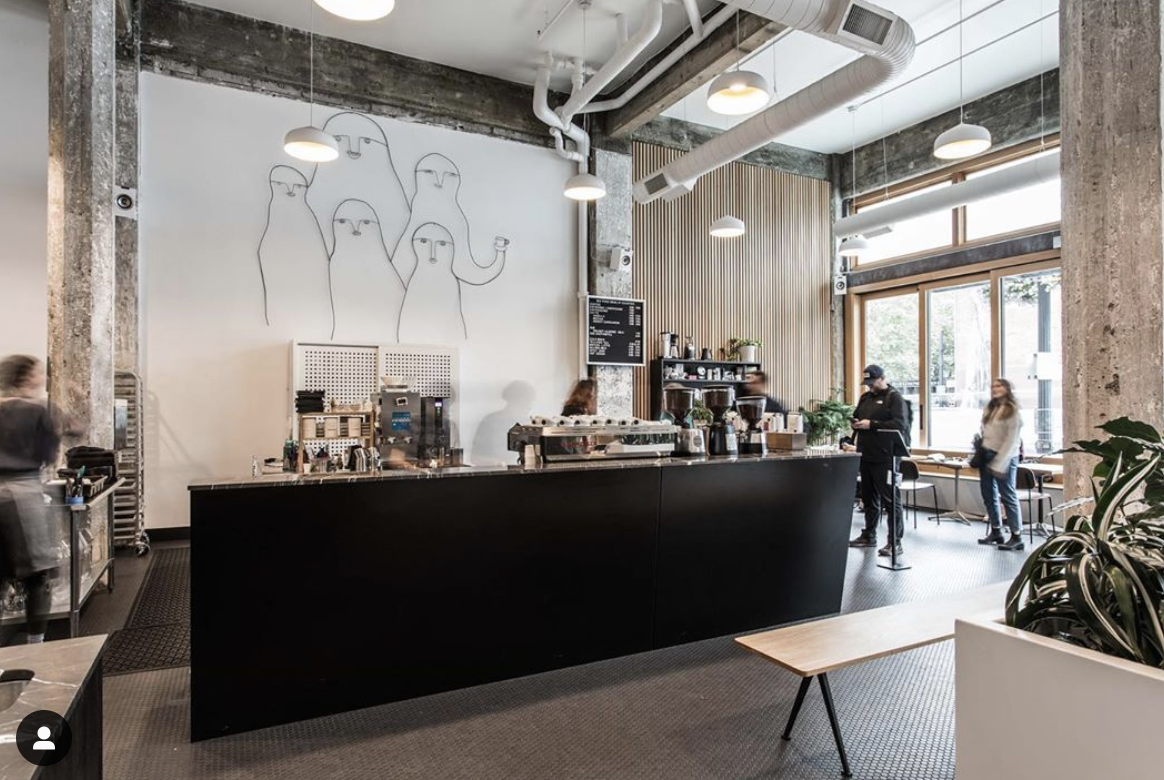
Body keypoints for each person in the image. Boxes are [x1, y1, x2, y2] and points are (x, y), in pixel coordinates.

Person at [0, 356, 63, 646]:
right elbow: (49, 455)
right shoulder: (37, 411)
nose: (41, 379)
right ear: (25, 378)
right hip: (22, 497)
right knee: (38, 578)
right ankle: (36, 648)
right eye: (38, 374)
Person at [847, 365, 910, 557]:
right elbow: (857, 416)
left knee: (890, 500)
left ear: (882, 378)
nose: (870, 386)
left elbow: (900, 424)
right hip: (866, 454)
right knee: (868, 498)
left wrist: (872, 424)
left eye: (872, 382)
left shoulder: (894, 397)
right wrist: (856, 423)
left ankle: (895, 542)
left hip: (886, 456)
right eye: (867, 383)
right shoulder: (865, 397)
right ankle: (869, 535)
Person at [976, 378, 1025, 551]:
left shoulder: (1012, 411)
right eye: (993, 386)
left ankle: (1016, 535)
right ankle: (996, 531)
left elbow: (1011, 441)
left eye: (999, 386)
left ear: (1007, 389)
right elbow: (985, 432)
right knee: (988, 495)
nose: (995, 389)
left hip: (1006, 457)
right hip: (987, 454)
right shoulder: (990, 408)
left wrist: (999, 463)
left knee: (1008, 496)